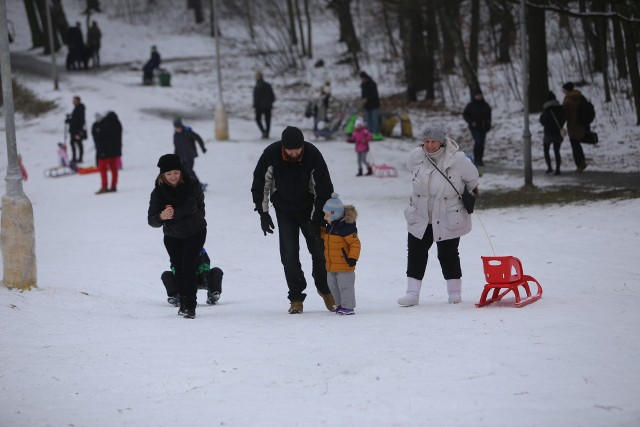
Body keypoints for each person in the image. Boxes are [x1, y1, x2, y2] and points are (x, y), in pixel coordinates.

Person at [251, 126, 335, 314]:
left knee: (320, 251)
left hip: (309, 210)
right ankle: (296, 297)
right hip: (285, 211)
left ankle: (324, 289)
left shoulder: (312, 154)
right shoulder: (271, 154)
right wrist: (263, 213)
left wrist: (317, 219)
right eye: (291, 150)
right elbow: (260, 184)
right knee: (289, 255)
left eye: (298, 149)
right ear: (283, 147)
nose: (295, 153)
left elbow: (324, 190)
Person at [398, 126, 479, 307]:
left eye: (433, 141)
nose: (429, 145)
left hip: (448, 213)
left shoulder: (457, 159)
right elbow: (411, 170)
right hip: (420, 213)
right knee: (415, 252)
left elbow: (472, 178)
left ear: (441, 142)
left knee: (448, 253)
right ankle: (412, 293)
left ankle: (454, 292)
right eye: (426, 141)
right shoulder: (416, 156)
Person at [148, 154, 207, 319]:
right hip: (172, 236)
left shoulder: (192, 185)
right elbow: (151, 220)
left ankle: (191, 306)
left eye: (175, 172)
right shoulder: (158, 193)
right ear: (162, 175)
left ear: (181, 171)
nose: (173, 177)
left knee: (188, 265)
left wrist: (198, 220)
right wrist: (161, 217)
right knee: (178, 268)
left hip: (195, 232)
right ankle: (183, 302)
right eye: (168, 174)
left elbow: (200, 205)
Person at [321, 193, 361, 315]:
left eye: (327, 215)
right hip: (331, 264)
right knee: (333, 286)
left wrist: (353, 258)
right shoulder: (330, 226)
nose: (325, 217)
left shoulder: (347, 228)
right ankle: (339, 305)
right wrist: (319, 231)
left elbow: (355, 244)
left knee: (345, 286)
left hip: (344, 264)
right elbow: (328, 238)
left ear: (334, 214)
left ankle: (348, 307)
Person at [93, 111, 123, 194]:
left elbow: (100, 138)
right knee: (114, 169)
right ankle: (113, 186)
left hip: (105, 151)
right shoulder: (118, 124)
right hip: (115, 151)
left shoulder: (105, 124)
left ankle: (104, 187)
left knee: (103, 169)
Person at [173, 117, 207, 188]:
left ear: (181, 126)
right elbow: (176, 147)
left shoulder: (188, 132)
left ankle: (198, 185)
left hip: (190, 155)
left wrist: (202, 147)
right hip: (182, 156)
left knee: (189, 170)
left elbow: (198, 138)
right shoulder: (176, 136)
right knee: (183, 171)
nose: (178, 129)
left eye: (179, 127)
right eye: (176, 128)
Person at [561, 82, 587, 172]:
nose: (563, 92)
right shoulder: (580, 97)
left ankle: (579, 165)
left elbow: (564, 114)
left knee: (574, 145)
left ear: (567, 90)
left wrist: (561, 125)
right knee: (577, 144)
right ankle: (582, 161)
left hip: (572, 126)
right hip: (582, 124)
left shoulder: (568, 100)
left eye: (564, 90)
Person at [462, 90, 492, 167]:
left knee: (482, 143)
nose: (478, 97)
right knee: (478, 141)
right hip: (474, 127)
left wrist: (488, 123)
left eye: (479, 95)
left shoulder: (485, 105)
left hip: (483, 127)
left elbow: (489, 115)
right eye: (477, 95)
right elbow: (465, 114)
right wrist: (471, 122)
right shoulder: (471, 105)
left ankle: (480, 158)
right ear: (474, 96)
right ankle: (476, 158)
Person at [539, 91, 566, 175]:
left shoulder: (546, 110)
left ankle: (549, 168)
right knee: (557, 151)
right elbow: (564, 118)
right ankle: (558, 169)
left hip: (548, 133)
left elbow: (542, 121)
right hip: (557, 133)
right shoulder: (561, 108)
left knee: (546, 150)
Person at [359, 71, 381, 138]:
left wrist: (367, 99)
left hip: (374, 104)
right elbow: (363, 94)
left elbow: (375, 94)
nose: (362, 80)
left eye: (362, 78)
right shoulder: (362, 85)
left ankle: (375, 133)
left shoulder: (372, 84)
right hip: (367, 105)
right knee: (368, 120)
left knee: (375, 119)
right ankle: (369, 132)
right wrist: (363, 99)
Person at [253, 72, 276, 139]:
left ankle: (263, 131)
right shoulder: (267, 85)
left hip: (259, 106)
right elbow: (272, 96)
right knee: (267, 120)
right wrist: (270, 102)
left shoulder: (257, 86)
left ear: (259, 77)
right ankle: (267, 132)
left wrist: (255, 105)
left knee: (257, 119)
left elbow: (256, 97)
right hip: (268, 106)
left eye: (256, 76)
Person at [66, 96, 86, 163]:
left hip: (77, 130)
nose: (73, 102)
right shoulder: (77, 108)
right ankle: (75, 158)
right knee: (73, 143)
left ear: (78, 101)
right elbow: (75, 119)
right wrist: (69, 119)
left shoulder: (80, 108)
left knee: (78, 143)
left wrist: (79, 131)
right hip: (73, 129)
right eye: (73, 100)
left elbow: (79, 120)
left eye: (74, 100)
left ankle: (79, 158)